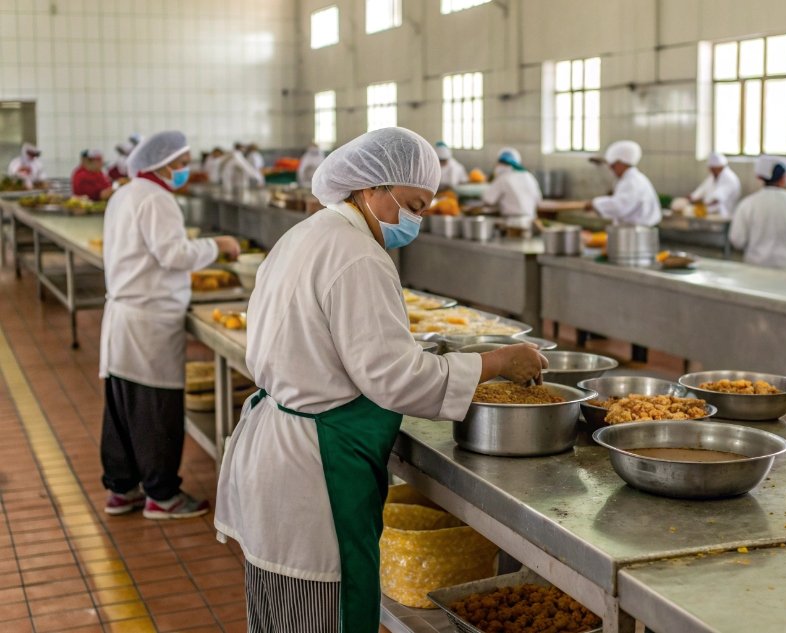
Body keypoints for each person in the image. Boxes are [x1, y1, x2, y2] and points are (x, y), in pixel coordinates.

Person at [214, 127, 546, 631]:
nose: (415, 219)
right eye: (412, 203)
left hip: (279, 447)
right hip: (317, 466)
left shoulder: (306, 234)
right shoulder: (358, 255)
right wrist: (496, 363)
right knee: (326, 610)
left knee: (280, 609)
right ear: (371, 188)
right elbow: (396, 379)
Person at [99, 131, 241, 520]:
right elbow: (173, 254)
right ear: (162, 165)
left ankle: (121, 489)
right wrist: (219, 245)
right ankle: (162, 496)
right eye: (180, 164)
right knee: (155, 409)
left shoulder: (124, 193)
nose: (184, 170)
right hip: (150, 317)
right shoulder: (157, 199)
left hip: (125, 315)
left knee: (122, 405)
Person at [729, 155, 786, 273]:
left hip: (756, 268)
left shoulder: (747, 204)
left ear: (760, 178)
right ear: (783, 178)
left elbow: (737, 239)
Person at [585, 140, 661, 226]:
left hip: (637, 233)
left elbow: (619, 207)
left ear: (621, 163)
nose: (610, 169)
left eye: (613, 166)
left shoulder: (632, 181)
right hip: (634, 230)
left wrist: (595, 204)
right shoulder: (631, 179)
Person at [481, 149, 542, 219]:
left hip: (511, 223)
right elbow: (538, 201)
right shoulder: (529, 176)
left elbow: (488, 200)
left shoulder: (503, 178)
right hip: (531, 220)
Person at [688, 151, 742, 217]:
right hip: (711, 213)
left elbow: (717, 199)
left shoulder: (729, 179)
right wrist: (692, 197)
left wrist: (701, 203)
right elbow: (702, 189)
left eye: (712, 169)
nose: (710, 171)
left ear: (720, 167)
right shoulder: (713, 177)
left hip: (725, 215)